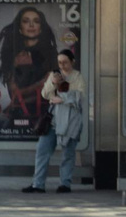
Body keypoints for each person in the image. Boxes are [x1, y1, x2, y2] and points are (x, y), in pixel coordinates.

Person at [0, 5, 57, 135]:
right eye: (26, 21)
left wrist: (24, 95)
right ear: (20, 28)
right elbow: (15, 92)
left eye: (36, 21)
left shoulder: (50, 54)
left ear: (41, 27)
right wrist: (40, 84)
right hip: (19, 115)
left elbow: (51, 87)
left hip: (45, 116)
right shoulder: (12, 53)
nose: (31, 25)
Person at [25, 49, 86, 193]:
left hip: (70, 121)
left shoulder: (77, 77)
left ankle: (65, 183)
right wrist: (53, 83)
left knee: (68, 153)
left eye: (65, 62)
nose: (62, 65)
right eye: (59, 62)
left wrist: (62, 98)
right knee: (42, 150)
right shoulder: (54, 75)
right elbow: (45, 94)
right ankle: (38, 184)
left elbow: (80, 97)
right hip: (54, 120)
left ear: (72, 62)